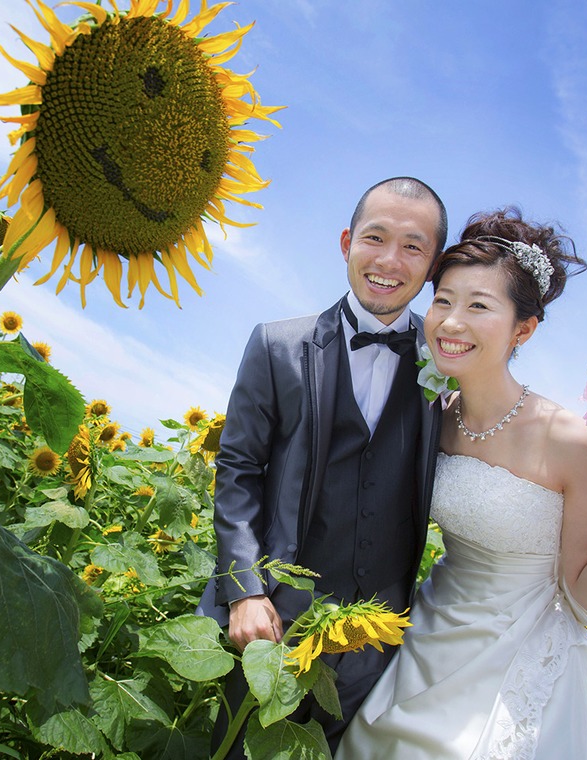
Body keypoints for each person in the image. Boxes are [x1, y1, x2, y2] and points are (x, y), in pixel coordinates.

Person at [337, 208, 587, 759]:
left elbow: (585, 592)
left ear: (523, 329)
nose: (451, 322)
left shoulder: (569, 441)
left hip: (520, 657)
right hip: (424, 639)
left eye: (479, 306)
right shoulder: (432, 414)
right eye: (443, 300)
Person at [196, 177, 449, 755]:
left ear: (432, 262)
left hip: (376, 640)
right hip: (268, 618)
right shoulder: (276, 344)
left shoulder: (446, 368)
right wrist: (243, 591)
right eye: (375, 237)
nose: (389, 260)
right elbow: (237, 469)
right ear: (346, 242)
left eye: (413, 246)